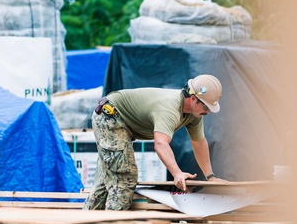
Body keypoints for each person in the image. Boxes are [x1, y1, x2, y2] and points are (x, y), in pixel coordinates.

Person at [86, 74, 227, 210]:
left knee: (105, 181)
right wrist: (177, 173)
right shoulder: (170, 109)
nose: (208, 112)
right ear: (192, 98)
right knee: (124, 178)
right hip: (110, 116)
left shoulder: (194, 114)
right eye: (206, 107)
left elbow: (199, 142)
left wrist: (211, 177)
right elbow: (160, 144)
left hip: (119, 121)